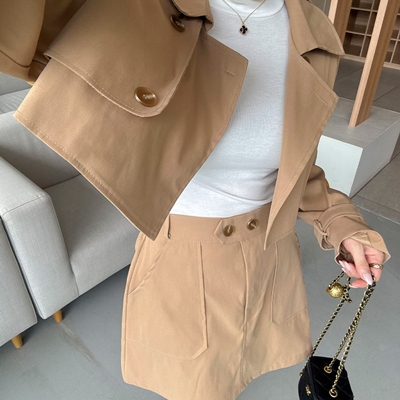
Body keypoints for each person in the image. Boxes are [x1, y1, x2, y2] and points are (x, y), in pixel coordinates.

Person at [0, 0, 390, 399]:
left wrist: (344, 226)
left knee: (241, 374)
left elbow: (297, 171)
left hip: (271, 262)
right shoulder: (136, 9)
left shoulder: (316, 37)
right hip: (181, 266)